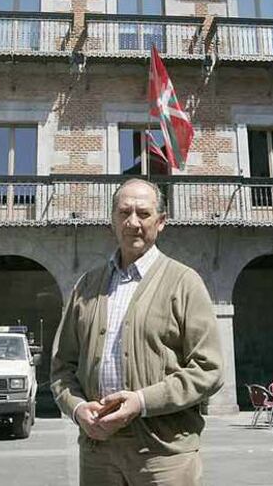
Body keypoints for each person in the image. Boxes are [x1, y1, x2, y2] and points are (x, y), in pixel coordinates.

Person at [50, 178, 224, 486]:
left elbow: (208, 369)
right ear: (112, 222)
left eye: (143, 213)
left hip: (164, 455)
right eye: (124, 212)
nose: (133, 222)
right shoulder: (86, 286)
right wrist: (78, 410)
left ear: (161, 222)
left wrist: (142, 402)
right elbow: (62, 368)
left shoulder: (185, 282)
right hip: (98, 453)